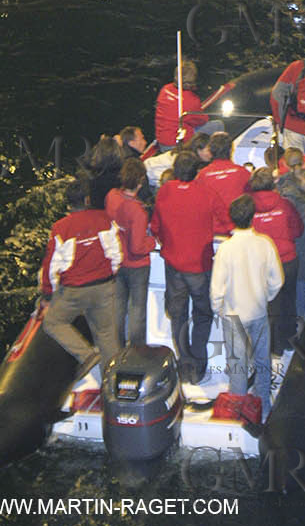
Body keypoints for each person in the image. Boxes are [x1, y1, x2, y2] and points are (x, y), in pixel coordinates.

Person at [209, 193, 283, 421]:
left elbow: (216, 289)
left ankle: (239, 410)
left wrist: (218, 309)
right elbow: (277, 281)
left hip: (234, 315)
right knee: (262, 362)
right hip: (259, 311)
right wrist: (266, 297)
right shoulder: (265, 244)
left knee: (238, 366)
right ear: (253, 217)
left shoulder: (226, 249)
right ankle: (264, 407)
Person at [39, 179, 122, 378]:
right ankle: (112, 383)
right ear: (87, 200)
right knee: (106, 334)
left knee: (53, 323)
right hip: (104, 286)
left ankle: (85, 355)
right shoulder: (104, 219)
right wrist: (109, 274)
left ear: (68, 203)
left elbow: (51, 267)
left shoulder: (60, 228)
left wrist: (47, 296)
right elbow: (116, 253)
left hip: (74, 291)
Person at [150, 149, 218, 384]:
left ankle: (185, 362)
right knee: (203, 313)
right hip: (199, 266)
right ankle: (199, 364)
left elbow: (156, 226)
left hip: (173, 265)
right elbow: (220, 220)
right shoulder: (206, 192)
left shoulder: (165, 192)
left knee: (178, 314)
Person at [246, 168, 303, 367]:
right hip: (288, 261)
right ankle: (288, 340)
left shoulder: (248, 208)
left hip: (264, 265)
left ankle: (273, 349)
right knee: (289, 300)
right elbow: (298, 230)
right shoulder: (285, 205)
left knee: (271, 307)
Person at [105, 157, 157, 346]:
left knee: (118, 307)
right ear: (141, 180)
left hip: (117, 261)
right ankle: (136, 348)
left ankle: (116, 347)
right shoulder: (138, 211)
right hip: (136, 265)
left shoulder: (111, 196)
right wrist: (152, 241)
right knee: (137, 309)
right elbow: (137, 247)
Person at [271, 146, 305, 319]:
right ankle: (303, 311)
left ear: (284, 163)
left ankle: (297, 311)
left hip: (293, 236)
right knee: (304, 271)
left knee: (294, 275)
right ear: (303, 161)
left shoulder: (282, 184)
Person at [154, 59, 220, 150]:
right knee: (218, 125)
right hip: (178, 144)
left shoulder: (165, 89)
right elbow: (202, 120)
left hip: (162, 141)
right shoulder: (191, 99)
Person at [194, 131, 251, 234]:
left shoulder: (202, 176)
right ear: (231, 150)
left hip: (211, 232)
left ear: (210, 151)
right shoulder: (243, 173)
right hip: (238, 231)